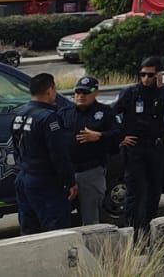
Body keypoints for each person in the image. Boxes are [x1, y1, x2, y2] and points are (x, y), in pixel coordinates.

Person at [113, 56, 164, 234]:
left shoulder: (162, 94)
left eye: (150, 75)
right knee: (134, 193)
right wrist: (121, 136)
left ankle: (151, 230)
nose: (146, 79)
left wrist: (162, 89)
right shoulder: (130, 93)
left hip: (155, 147)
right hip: (135, 149)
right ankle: (132, 233)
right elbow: (111, 115)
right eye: (142, 74)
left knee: (154, 192)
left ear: (158, 75)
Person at [10, 71, 77, 234]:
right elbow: (58, 154)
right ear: (50, 90)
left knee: (29, 230)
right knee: (56, 229)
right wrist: (70, 181)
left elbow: (15, 147)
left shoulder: (19, 113)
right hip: (45, 180)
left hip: (24, 177)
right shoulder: (49, 118)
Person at [69, 76, 121, 225]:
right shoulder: (66, 112)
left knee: (90, 219)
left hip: (91, 171)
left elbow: (118, 134)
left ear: (96, 92)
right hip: (68, 172)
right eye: (78, 92)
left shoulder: (105, 112)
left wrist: (99, 136)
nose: (81, 96)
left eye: (85, 92)